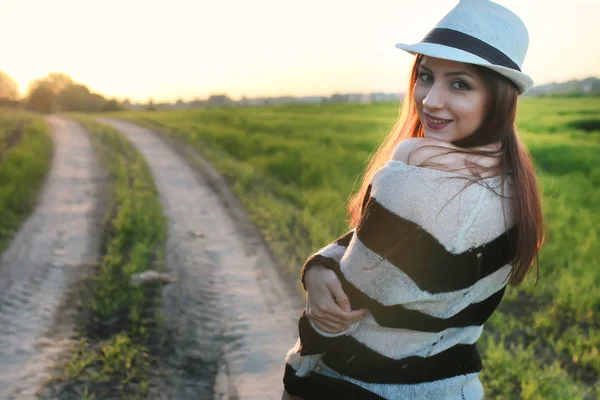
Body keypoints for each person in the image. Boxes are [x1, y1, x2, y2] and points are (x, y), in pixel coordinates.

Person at [281, 0, 545, 399]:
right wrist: (320, 266)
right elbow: (366, 243)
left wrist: (300, 366)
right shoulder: (510, 183)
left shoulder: (412, 183)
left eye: (460, 84)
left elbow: (338, 315)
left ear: (499, 98)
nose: (431, 100)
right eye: (426, 76)